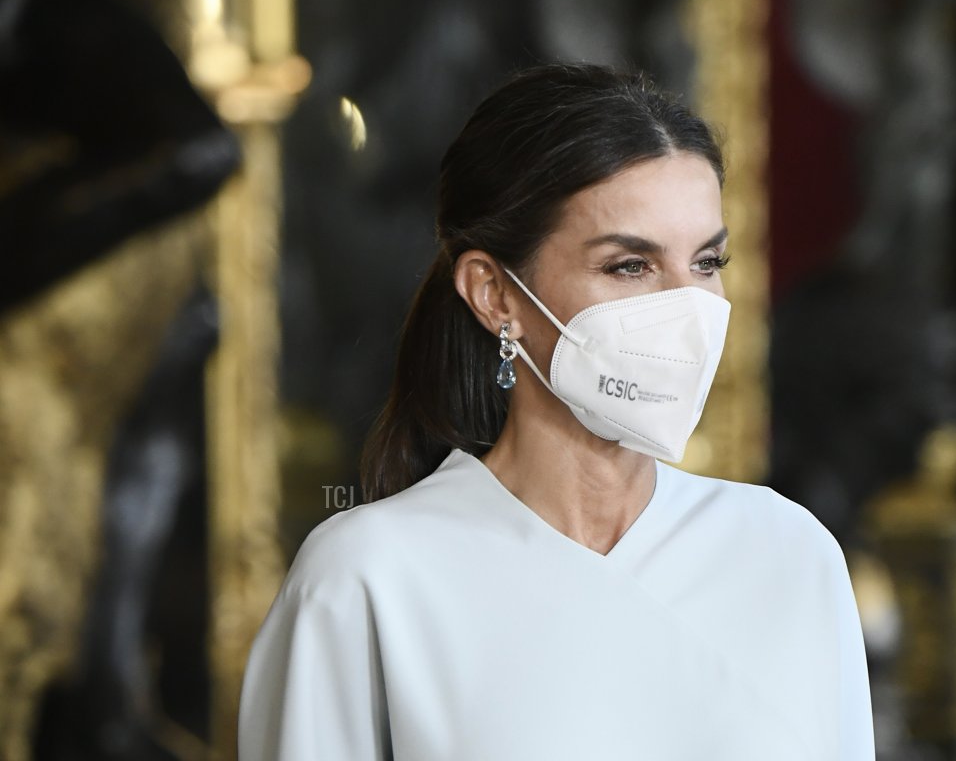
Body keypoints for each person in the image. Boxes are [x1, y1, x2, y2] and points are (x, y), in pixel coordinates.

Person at [237, 62, 874, 760]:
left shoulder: (788, 553)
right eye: (630, 266)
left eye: (706, 262)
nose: (686, 309)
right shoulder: (368, 578)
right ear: (494, 295)